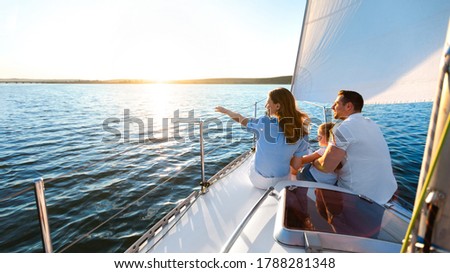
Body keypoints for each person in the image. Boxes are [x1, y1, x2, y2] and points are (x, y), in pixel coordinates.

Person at [312, 90, 397, 204]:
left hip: (358, 196)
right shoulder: (372, 124)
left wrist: (313, 161)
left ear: (348, 106)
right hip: (387, 192)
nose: (332, 107)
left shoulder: (343, 128)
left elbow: (326, 166)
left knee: (305, 173)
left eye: (336, 103)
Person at [215, 87, 310, 189]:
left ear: (277, 106)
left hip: (260, 182)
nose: (265, 105)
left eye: (268, 102)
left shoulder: (264, 123)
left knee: (254, 155)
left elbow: (242, 120)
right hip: (283, 182)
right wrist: (284, 156)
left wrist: (226, 111)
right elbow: (296, 166)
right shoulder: (303, 131)